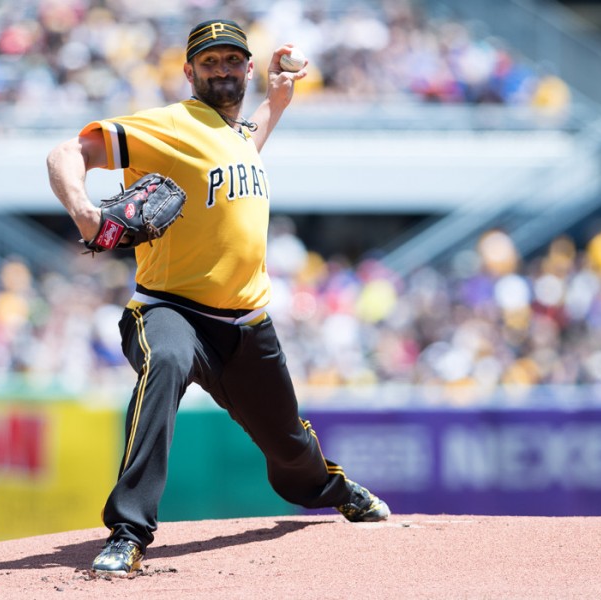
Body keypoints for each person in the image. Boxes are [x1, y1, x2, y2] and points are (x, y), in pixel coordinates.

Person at [46, 18, 390, 578]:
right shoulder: (170, 124)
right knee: (167, 365)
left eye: (232, 60)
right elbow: (67, 152)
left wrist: (277, 104)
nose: (222, 70)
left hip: (247, 325)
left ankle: (329, 486)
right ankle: (129, 531)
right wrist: (85, 212)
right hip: (169, 310)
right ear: (189, 72)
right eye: (209, 62)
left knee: (288, 446)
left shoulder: (234, 136)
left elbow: (239, 149)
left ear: (248, 68)